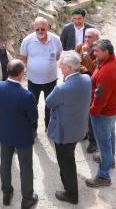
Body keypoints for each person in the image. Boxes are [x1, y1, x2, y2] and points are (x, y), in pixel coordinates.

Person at [45, 51, 92, 205]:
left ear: (68, 68)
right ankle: (69, 187)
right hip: (78, 128)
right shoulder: (86, 78)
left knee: (66, 163)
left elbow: (49, 102)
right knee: (69, 158)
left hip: (64, 132)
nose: (59, 66)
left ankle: (71, 194)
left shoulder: (62, 88)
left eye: (61, 64)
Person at [0, 59, 39, 208]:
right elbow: (33, 118)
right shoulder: (26, 95)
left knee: (5, 163)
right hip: (22, 136)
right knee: (25, 166)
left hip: (5, 132)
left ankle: (6, 193)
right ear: (21, 73)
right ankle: (27, 199)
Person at [85, 39, 116, 189]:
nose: (94, 53)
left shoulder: (107, 72)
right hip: (112, 109)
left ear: (106, 52)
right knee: (110, 136)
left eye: (97, 51)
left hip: (103, 113)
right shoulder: (114, 61)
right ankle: (110, 160)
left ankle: (103, 176)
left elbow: (100, 98)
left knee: (104, 144)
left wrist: (92, 111)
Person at [20, 17, 63, 131]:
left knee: (50, 104)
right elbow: (23, 58)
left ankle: (48, 127)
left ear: (48, 27)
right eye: (37, 29)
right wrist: (34, 67)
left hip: (51, 80)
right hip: (33, 81)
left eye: (42, 29)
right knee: (32, 105)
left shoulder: (55, 39)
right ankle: (33, 128)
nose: (40, 31)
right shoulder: (27, 41)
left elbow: (58, 55)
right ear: (34, 28)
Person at [75, 27, 101, 154]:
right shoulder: (79, 46)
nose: (86, 39)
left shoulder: (99, 51)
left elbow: (96, 69)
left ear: (97, 39)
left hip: (92, 86)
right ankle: (83, 133)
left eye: (89, 37)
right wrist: (83, 68)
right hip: (80, 84)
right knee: (81, 111)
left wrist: (85, 57)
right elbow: (75, 63)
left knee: (91, 114)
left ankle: (93, 141)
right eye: (85, 36)